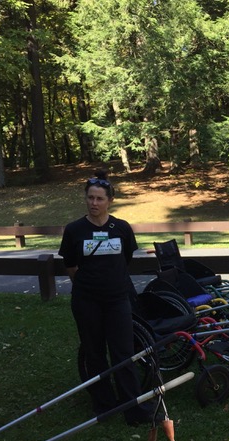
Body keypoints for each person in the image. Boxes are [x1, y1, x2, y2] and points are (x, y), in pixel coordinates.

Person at [59, 170, 155, 425]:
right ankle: (104, 405)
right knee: (94, 353)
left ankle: (133, 408)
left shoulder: (121, 228)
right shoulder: (74, 230)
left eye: (99, 198)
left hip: (117, 300)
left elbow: (125, 261)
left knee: (123, 352)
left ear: (110, 201)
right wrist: (86, 286)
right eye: (90, 198)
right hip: (86, 300)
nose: (93, 203)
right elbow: (70, 265)